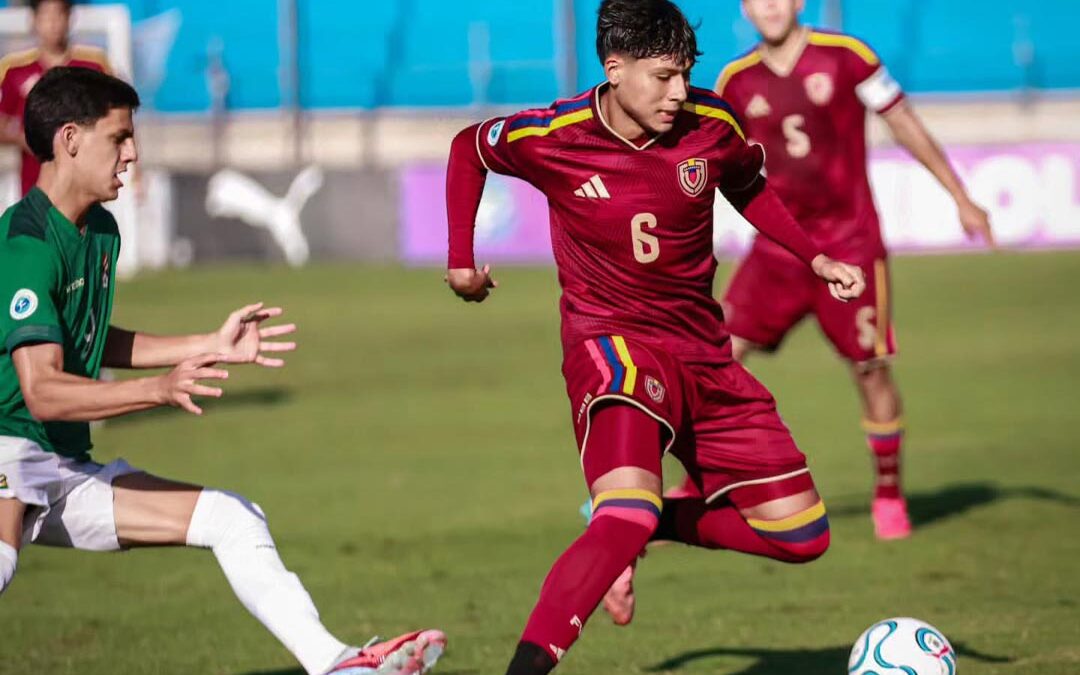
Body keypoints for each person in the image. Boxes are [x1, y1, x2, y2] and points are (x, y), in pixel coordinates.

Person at [444, 2, 865, 672]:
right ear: (615, 69)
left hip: (704, 351)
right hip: (612, 344)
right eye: (663, 76)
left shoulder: (711, 122)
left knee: (802, 534)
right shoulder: (554, 133)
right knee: (625, 511)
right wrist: (461, 262)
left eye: (685, 74)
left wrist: (814, 257)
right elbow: (469, 148)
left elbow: (749, 186)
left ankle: (647, 525)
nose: (678, 92)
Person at [0, 67, 446, 675]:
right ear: (70, 139)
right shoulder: (25, 244)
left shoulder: (99, 231)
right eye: (119, 138)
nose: (133, 153)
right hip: (9, 449)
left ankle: (338, 665)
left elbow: (89, 340)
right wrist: (156, 390)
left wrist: (208, 344)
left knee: (231, 517)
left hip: (65, 466)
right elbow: (43, 390)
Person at [714, 0, 995, 540]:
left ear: (799, 2)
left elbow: (903, 123)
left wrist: (960, 194)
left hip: (851, 247)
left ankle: (889, 494)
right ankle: (699, 486)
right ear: (745, 9)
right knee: (713, 359)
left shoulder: (848, 58)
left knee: (871, 371)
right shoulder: (735, 81)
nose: (770, 7)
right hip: (779, 250)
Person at [0, 0, 112, 197]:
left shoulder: (93, 67)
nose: (53, 23)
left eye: (59, 14)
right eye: (46, 16)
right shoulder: (15, 71)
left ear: (70, 18)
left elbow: (117, 119)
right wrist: (24, 138)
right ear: (33, 20)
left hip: (83, 193)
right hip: (35, 193)